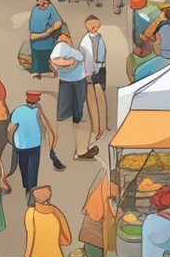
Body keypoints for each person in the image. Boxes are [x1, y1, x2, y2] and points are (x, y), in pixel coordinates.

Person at [51, 33, 96, 162]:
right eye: (61, 40)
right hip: (67, 82)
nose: (64, 42)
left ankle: (81, 149)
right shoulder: (61, 50)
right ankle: (76, 150)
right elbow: (56, 62)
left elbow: (78, 61)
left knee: (79, 112)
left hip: (78, 81)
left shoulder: (76, 52)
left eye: (66, 39)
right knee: (65, 115)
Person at [9, 90, 57, 194]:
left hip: (20, 145)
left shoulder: (18, 110)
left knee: (23, 165)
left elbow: (10, 129)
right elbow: (44, 127)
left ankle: (26, 184)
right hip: (35, 144)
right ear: (38, 100)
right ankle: (31, 188)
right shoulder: (38, 111)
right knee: (33, 168)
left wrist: (11, 140)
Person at [79, 169, 118, 257]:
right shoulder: (108, 195)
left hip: (91, 240)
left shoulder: (102, 187)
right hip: (95, 241)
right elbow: (111, 217)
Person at [78, 16, 108, 141]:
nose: (93, 26)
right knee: (91, 100)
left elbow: (102, 55)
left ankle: (103, 128)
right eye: (90, 25)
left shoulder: (100, 38)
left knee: (100, 98)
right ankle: (95, 128)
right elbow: (82, 56)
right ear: (86, 26)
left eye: (95, 24)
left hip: (100, 71)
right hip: (88, 72)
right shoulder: (85, 40)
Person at [27, 0, 64, 79]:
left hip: (48, 41)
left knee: (49, 58)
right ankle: (39, 72)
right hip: (36, 42)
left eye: (43, 3)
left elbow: (58, 22)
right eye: (38, 4)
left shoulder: (50, 8)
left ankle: (50, 71)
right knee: (38, 57)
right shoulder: (35, 10)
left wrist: (50, 30)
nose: (41, 5)